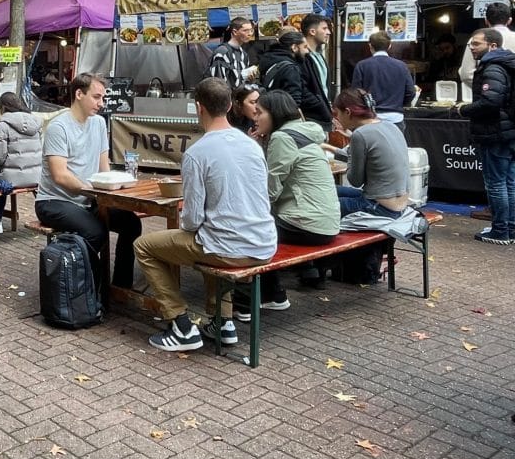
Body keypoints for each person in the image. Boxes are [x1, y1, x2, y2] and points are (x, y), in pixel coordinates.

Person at [133, 78, 277, 352]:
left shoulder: (197, 152)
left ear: (198, 107)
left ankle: (180, 325)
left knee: (144, 246)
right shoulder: (252, 146)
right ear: (230, 106)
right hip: (264, 241)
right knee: (209, 238)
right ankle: (223, 322)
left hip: (228, 246)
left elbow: (192, 219)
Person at [234, 90, 340, 319]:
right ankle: (274, 295)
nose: (255, 117)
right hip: (325, 222)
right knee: (262, 227)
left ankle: (244, 304)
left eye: (260, 112)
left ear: (275, 114)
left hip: (307, 222)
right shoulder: (301, 132)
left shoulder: (282, 138)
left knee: (246, 231)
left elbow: (269, 191)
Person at [34, 73, 142, 289]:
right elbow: (60, 175)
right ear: (79, 94)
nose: (101, 104)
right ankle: (87, 290)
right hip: (53, 201)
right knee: (95, 232)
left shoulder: (99, 124)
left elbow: (104, 168)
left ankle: (120, 287)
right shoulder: (58, 127)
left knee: (131, 223)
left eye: (103, 98)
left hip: (89, 198)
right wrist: (94, 191)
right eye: (96, 97)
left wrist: (114, 186)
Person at [455, 28, 515, 244]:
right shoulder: (505, 63)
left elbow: (491, 101)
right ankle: (509, 228)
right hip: (507, 131)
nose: (471, 48)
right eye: (471, 43)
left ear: (493, 46)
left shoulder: (493, 68)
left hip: (494, 132)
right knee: (508, 181)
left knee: (497, 183)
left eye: (476, 44)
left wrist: (464, 109)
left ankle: (500, 230)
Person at [323, 88, 409, 218]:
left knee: (320, 203)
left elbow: (355, 180)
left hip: (379, 207)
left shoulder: (360, 135)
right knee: (330, 190)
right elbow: (370, 158)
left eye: (337, 114)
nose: (337, 119)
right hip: (399, 204)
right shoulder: (390, 126)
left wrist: (352, 140)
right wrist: (328, 147)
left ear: (347, 112)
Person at [0, 92, 42, 234]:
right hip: (35, 177)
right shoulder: (35, 123)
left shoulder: (3, 124)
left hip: (12, 179)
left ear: (4, 108)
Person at [351, 31, 416, 129]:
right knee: (395, 144)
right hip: (395, 118)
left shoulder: (362, 66)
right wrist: (397, 105)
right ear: (389, 46)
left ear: (370, 46)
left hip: (370, 118)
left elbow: (355, 94)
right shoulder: (402, 66)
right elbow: (411, 92)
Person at [459, 2, 515, 98]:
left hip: (487, 98)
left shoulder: (476, 40)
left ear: (486, 20)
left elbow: (465, 73)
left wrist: (485, 87)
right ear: (509, 20)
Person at [300, 14, 333, 131]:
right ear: (312, 31)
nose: (328, 32)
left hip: (323, 116)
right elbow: (302, 89)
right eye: (324, 28)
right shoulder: (302, 57)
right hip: (311, 119)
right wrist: (319, 104)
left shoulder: (319, 56)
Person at [258, 30, 309, 107]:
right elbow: (294, 99)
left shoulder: (268, 59)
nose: (307, 51)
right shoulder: (291, 69)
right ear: (294, 47)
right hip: (284, 113)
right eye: (305, 47)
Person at [207, 17, 258, 91]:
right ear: (234, 32)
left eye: (251, 30)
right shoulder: (222, 53)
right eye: (245, 31)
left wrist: (250, 79)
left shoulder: (244, 54)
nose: (250, 34)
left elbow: (242, 82)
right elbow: (218, 83)